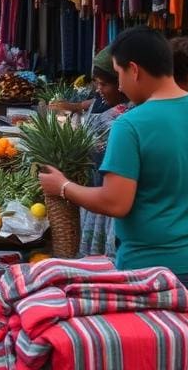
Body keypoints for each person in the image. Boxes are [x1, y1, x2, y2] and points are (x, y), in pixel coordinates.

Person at [38, 26, 188, 317]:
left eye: (119, 74)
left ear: (134, 70)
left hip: (156, 271)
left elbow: (116, 202)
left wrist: (62, 186)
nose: (119, 86)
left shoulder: (130, 125)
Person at [76, 46, 130, 258]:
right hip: (98, 200)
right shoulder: (104, 107)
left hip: (107, 201)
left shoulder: (123, 121)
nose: (98, 89)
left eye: (104, 84)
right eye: (96, 83)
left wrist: (64, 187)